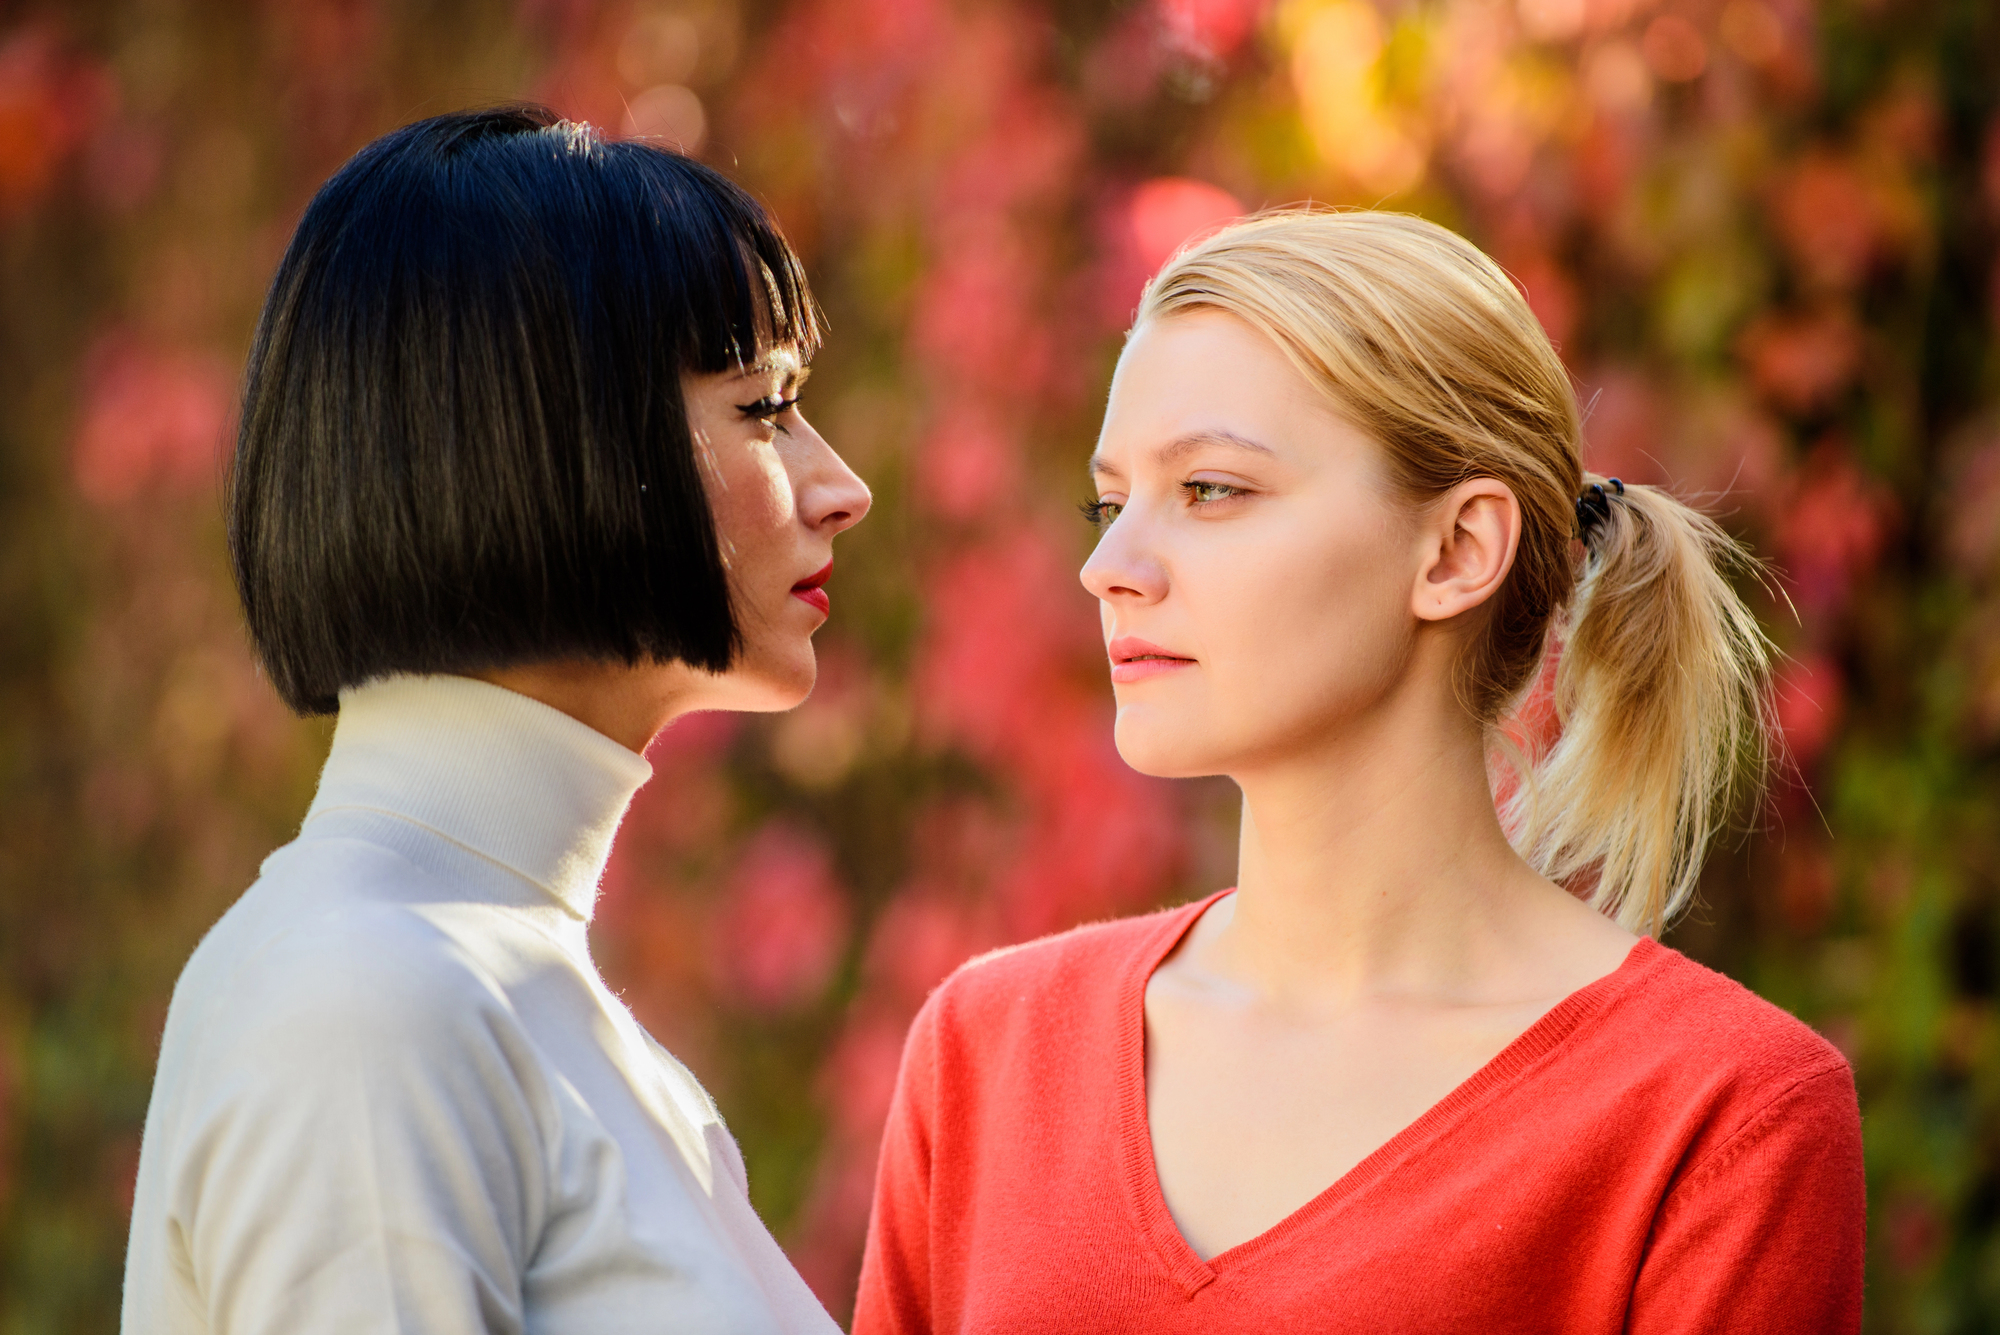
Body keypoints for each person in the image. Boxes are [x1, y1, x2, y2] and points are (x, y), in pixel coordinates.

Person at [854, 210, 1863, 1334]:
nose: (1108, 567)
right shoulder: (987, 1053)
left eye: (1208, 490)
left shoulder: (1719, 1116)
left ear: (1454, 551)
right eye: (1108, 501)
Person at [122, 106, 870, 1333]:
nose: (842, 487)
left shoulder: (521, 1001)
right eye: (760, 408)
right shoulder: (367, 998)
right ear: (545, 435)